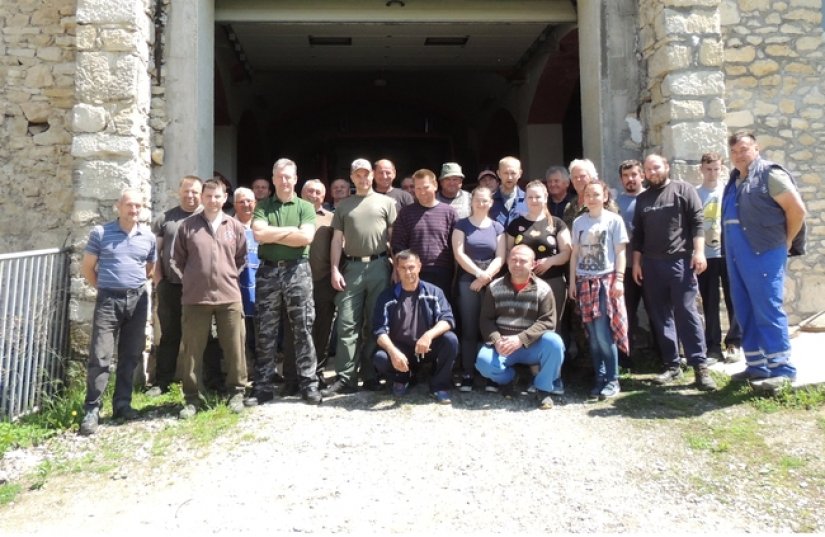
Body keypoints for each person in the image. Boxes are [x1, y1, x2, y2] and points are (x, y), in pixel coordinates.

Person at [725, 131, 806, 383]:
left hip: (764, 251)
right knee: (744, 308)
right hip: (737, 256)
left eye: (744, 149)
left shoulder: (770, 174)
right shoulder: (735, 178)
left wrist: (787, 240)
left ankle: (782, 369)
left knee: (767, 307)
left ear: (757, 149)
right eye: (735, 151)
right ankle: (757, 365)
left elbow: (797, 210)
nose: (739, 155)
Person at [631, 154, 717, 391]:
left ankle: (700, 367)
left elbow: (697, 223)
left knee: (687, 313)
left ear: (666, 167)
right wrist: (637, 263)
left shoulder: (683, 190)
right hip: (651, 265)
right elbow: (638, 235)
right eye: (648, 169)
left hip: (680, 263)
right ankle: (672, 365)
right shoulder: (643, 199)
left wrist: (699, 252)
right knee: (660, 316)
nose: (652, 172)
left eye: (656, 167)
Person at [79, 189, 157, 436]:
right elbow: (88, 268)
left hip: (137, 299)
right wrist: (106, 289)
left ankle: (122, 404)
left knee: (130, 355)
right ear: (118, 207)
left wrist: (130, 288)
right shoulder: (101, 233)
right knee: (100, 356)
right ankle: (92, 409)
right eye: (129, 205)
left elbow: (150, 268)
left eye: (137, 206)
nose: (133, 210)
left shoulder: (148, 236)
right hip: (108, 300)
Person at [245, 159, 321, 405]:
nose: (285, 181)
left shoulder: (305, 207)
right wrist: (292, 232)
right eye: (280, 176)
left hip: (297, 271)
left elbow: (306, 237)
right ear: (274, 179)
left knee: (303, 328)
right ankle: (263, 386)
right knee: (265, 331)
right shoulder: (263, 206)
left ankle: (308, 384)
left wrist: (274, 235)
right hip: (268, 273)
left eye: (289, 176)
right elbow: (259, 234)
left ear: (296, 179)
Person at [172, 179, 249, 418]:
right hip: (196, 297)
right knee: (193, 350)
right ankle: (192, 398)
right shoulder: (187, 226)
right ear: (202, 198)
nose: (213, 201)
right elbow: (176, 260)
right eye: (209, 196)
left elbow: (242, 258)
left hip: (229, 297)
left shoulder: (234, 226)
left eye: (217, 196)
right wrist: (193, 280)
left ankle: (236, 392)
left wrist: (227, 277)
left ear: (225, 198)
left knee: (235, 347)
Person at [323, 158, 397, 395]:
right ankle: (346, 377)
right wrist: (335, 268)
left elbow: (393, 239)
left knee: (375, 322)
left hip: (379, 265)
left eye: (366, 174)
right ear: (352, 177)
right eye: (358, 175)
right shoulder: (344, 206)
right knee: (347, 322)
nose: (363, 178)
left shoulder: (387, 202)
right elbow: (336, 240)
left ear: (373, 176)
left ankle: (370, 374)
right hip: (352, 268)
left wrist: (395, 266)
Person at [476, 245, 566, 410]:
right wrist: (496, 340)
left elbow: (548, 322)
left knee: (555, 343)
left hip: (532, 345)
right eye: (513, 259)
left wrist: (520, 339)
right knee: (483, 362)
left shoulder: (543, 289)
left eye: (522, 261)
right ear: (508, 262)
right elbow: (486, 319)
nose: (517, 264)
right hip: (503, 344)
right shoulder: (494, 287)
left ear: (532, 264)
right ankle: (510, 378)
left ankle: (543, 389)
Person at [372, 250, 459, 404]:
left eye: (411, 267)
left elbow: (448, 319)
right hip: (402, 350)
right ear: (397, 270)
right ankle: (404, 377)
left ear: (419, 266)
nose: (408, 272)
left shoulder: (434, 292)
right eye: (403, 268)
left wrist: (428, 336)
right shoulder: (387, 296)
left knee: (450, 340)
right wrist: (393, 352)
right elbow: (379, 330)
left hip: (427, 348)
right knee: (380, 358)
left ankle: (439, 385)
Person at [569, 179, 629, 400]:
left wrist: (619, 280)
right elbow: (575, 254)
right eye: (588, 194)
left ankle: (613, 380)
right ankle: (600, 378)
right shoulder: (578, 223)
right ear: (582, 198)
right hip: (585, 281)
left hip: (606, 281)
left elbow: (620, 252)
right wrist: (573, 282)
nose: (591, 198)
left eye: (596, 194)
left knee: (604, 334)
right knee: (592, 336)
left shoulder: (614, 221)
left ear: (605, 196)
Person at [148, 175, 203, 396]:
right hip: (171, 286)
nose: (190, 195)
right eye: (187, 191)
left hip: (200, 288)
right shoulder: (165, 219)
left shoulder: (208, 217)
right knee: (170, 334)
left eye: (195, 192)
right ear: (179, 191)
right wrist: (159, 280)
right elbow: (155, 254)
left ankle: (206, 380)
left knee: (203, 335)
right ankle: (162, 381)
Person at [451, 186, 506, 391]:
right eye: (478, 200)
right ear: (471, 201)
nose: (481, 204)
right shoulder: (461, 225)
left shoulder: (497, 227)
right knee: (469, 328)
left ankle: (492, 373)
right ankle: (468, 373)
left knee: (491, 328)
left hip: (492, 282)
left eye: (485, 200)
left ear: (491, 203)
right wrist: (477, 274)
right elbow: (459, 254)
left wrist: (486, 277)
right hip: (468, 280)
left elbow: (501, 256)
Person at [506, 180, 571, 327]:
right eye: (530, 197)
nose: (534, 200)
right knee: (524, 324)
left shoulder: (556, 223)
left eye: (538, 197)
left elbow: (567, 252)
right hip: (522, 283)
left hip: (552, 280)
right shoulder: (515, 224)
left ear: (545, 198)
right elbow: (507, 252)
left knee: (552, 325)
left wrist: (550, 261)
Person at [696, 152, 740, 364]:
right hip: (706, 255)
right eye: (708, 168)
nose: (712, 173)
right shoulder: (695, 194)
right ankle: (712, 347)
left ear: (721, 169)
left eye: (716, 169)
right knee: (710, 301)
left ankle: (734, 343)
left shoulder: (729, 191)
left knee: (734, 298)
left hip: (729, 253)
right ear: (701, 169)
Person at [391, 168, 458, 299]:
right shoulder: (406, 213)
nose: (422, 192)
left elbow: (456, 246)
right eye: (418, 188)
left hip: (443, 272)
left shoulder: (449, 212)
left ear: (435, 186)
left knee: (440, 311)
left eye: (425, 187)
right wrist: (400, 269)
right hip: (413, 271)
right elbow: (398, 244)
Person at [300, 179, 337, 382]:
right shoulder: (293, 215)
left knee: (323, 328)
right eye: (310, 191)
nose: (313, 195)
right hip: (296, 279)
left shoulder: (332, 218)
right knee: (298, 328)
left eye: (318, 192)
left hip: (322, 280)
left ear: (324, 196)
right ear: (302, 193)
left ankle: (318, 371)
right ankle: (298, 372)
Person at [615, 159, 650, 368]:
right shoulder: (616, 203)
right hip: (625, 268)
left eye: (634, 175)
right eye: (626, 176)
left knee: (658, 311)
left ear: (642, 176)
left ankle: (665, 356)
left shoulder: (650, 199)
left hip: (651, 265)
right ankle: (625, 358)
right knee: (625, 312)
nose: (630, 179)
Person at [233, 187, 260, 373]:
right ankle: (243, 371)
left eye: (249, 201)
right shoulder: (227, 225)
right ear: (235, 204)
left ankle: (264, 370)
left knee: (262, 333)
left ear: (255, 203)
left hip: (262, 287)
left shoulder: (262, 225)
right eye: (241, 201)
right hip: (235, 288)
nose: (246, 205)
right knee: (240, 334)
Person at [489, 156, 527, 228]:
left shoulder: (526, 199)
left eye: (513, 173)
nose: (509, 177)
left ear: (520, 174)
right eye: (506, 173)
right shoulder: (489, 200)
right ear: (499, 174)